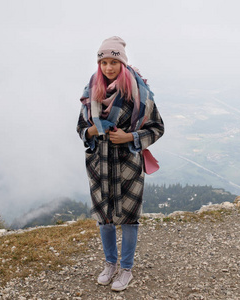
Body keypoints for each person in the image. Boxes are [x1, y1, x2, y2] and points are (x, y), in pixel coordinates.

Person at [76, 36, 164, 291]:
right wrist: (91, 131)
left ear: (122, 64)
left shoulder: (137, 93)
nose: (109, 67)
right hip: (99, 165)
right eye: (104, 62)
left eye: (114, 61)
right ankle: (110, 265)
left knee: (129, 218)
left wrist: (131, 137)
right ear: (99, 64)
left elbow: (157, 127)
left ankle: (126, 270)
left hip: (128, 166)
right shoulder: (90, 92)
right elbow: (81, 128)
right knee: (104, 218)